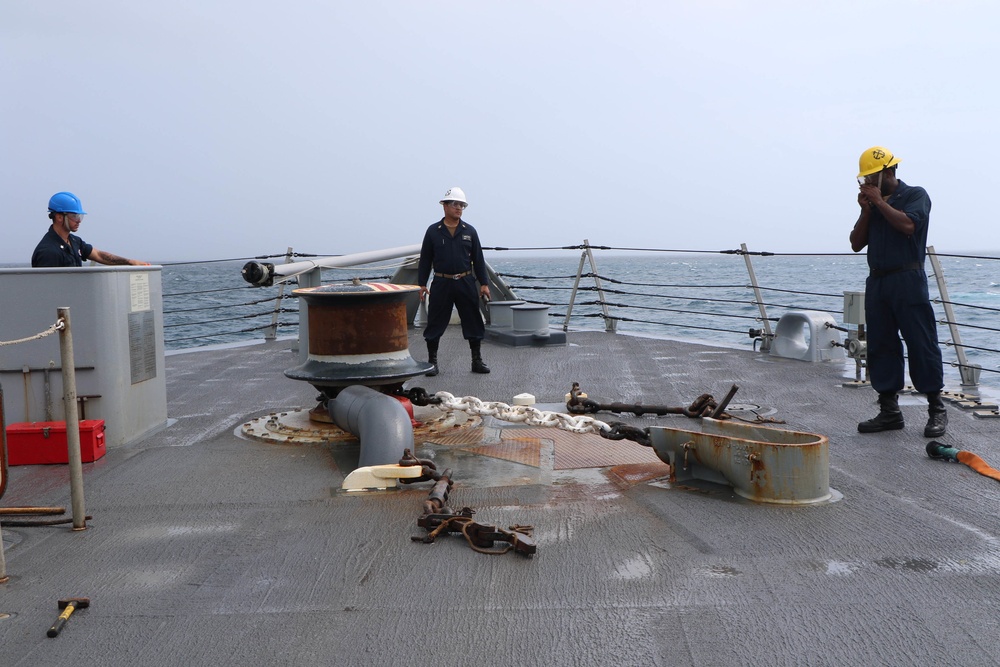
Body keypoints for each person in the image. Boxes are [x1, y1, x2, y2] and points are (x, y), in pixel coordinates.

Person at [849, 146, 946, 438]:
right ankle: (889, 411)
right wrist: (867, 210)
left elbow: (908, 226)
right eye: (863, 178)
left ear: (887, 172)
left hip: (908, 277)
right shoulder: (875, 204)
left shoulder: (916, 194)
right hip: (878, 281)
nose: (866, 182)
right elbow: (856, 243)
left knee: (921, 342)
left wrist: (880, 203)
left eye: (870, 176)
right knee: (881, 344)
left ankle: (936, 409)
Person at [417, 186, 491, 376]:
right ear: (445, 206)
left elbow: (478, 258)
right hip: (442, 283)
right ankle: (432, 362)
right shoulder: (433, 231)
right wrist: (422, 284)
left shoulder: (470, 231)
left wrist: (484, 283)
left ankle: (477, 360)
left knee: (473, 320)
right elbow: (425, 260)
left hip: (465, 281)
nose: (459, 208)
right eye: (455, 204)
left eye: (462, 205)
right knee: (435, 322)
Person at [32, 192, 150, 267]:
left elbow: (99, 255)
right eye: (74, 216)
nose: (78, 221)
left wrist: (130, 262)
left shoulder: (74, 242)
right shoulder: (48, 251)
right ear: (59, 217)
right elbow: (46, 289)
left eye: (80, 217)